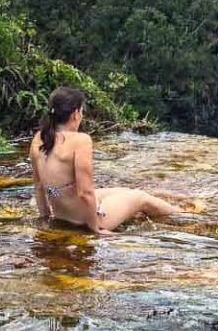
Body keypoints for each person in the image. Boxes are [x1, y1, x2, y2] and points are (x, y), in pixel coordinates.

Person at [30, 87, 179, 233]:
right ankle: (183, 215)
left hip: (63, 214)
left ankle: (171, 209)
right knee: (141, 197)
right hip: (85, 220)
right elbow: (85, 192)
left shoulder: (39, 138)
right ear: (75, 114)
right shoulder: (80, 140)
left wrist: (46, 218)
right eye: (82, 112)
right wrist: (95, 228)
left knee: (123, 191)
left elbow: (39, 186)